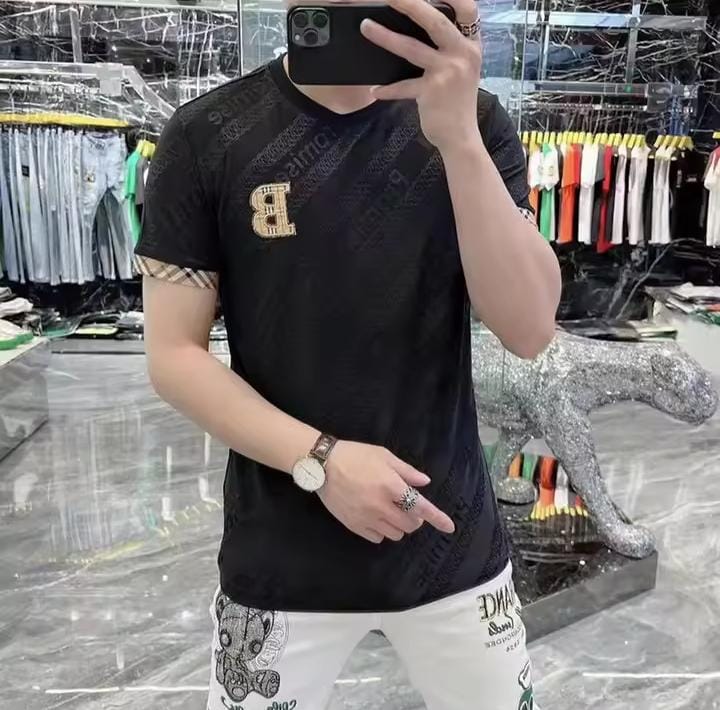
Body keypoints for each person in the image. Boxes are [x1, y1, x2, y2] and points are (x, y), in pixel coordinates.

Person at [135, 0, 561, 705]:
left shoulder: (475, 122)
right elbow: (175, 354)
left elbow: (529, 327)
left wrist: (458, 140)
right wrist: (322, 460)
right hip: (281, 556)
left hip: (450, 543)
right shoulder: (208, 133)